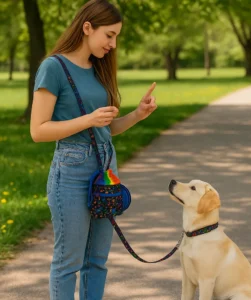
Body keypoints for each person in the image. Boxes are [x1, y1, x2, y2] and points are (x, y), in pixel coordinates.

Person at [30, 0, 157, 299]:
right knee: (68, 262)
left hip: (105, 168)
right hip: (71, 170)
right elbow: (38, 131)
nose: (113, 44)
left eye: (116, 37)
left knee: (97, 262)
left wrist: (138, 115)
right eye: (109, 35)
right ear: (87, 27)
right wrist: (88, 118)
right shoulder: (54, 67)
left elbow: (103, 130)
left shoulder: (98, 69)